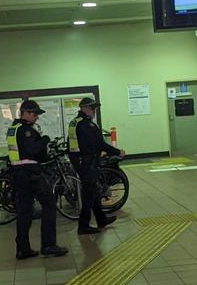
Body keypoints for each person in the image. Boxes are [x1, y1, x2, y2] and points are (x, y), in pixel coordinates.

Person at [7, 100, 68, 259]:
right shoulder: (26, 130)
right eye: (34, 114)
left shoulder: (13, 129)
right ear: (25, 113)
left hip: (17, 174)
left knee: (24, 212)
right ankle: (48, 245)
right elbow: (33, 150)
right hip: (31, 173)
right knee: (49, 205)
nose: (37, 118)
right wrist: (45, 140)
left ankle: (22, 249)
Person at [68, 97, 125, 234]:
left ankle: (101, 219)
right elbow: (99, 144)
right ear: (85, 108)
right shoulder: (86, 125)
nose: (94, 111)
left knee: (93, 193)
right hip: (88, 163)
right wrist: (118, 151)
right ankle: (83, 226)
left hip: (81, 162)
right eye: (93, 108)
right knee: (88, 196)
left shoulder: (75, 122)